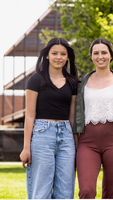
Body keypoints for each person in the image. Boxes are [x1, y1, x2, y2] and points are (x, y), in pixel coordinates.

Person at [19, 37, 78, 199]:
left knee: (65, 192)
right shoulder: (36, 79)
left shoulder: (73, 82)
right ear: (46, 55)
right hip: (42, 134)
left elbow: (72, 117)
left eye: (63, 54)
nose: (58, 57)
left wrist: (76, 145)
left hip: (66, 136)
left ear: (67, 57)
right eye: (54, 53)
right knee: (42, 190)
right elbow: (30, 115)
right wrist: (26, 148)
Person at [73, 38, 113, 199]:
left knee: (111, 192)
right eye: (96, 53)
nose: (100, 56)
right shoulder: (81, 83)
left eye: (104, 52)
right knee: (86, 191)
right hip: (87, 142)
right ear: (91, 56)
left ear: (111, 55)